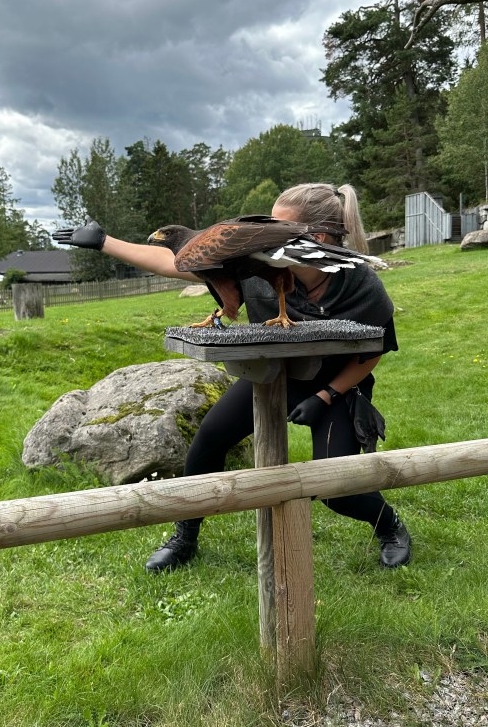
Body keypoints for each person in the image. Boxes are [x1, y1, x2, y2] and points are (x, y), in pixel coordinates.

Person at [54, 183, 411, 572]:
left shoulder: (358, 282)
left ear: (317, 238)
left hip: (337, 386)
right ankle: (185, 535)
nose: (261, 232)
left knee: (336, 486)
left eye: (274, 225)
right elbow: (174, 262)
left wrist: (325, 395)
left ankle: (389, 526)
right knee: (207, 441)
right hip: (275, 375)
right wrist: (103, 241)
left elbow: (371, 353)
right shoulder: (254, 264)